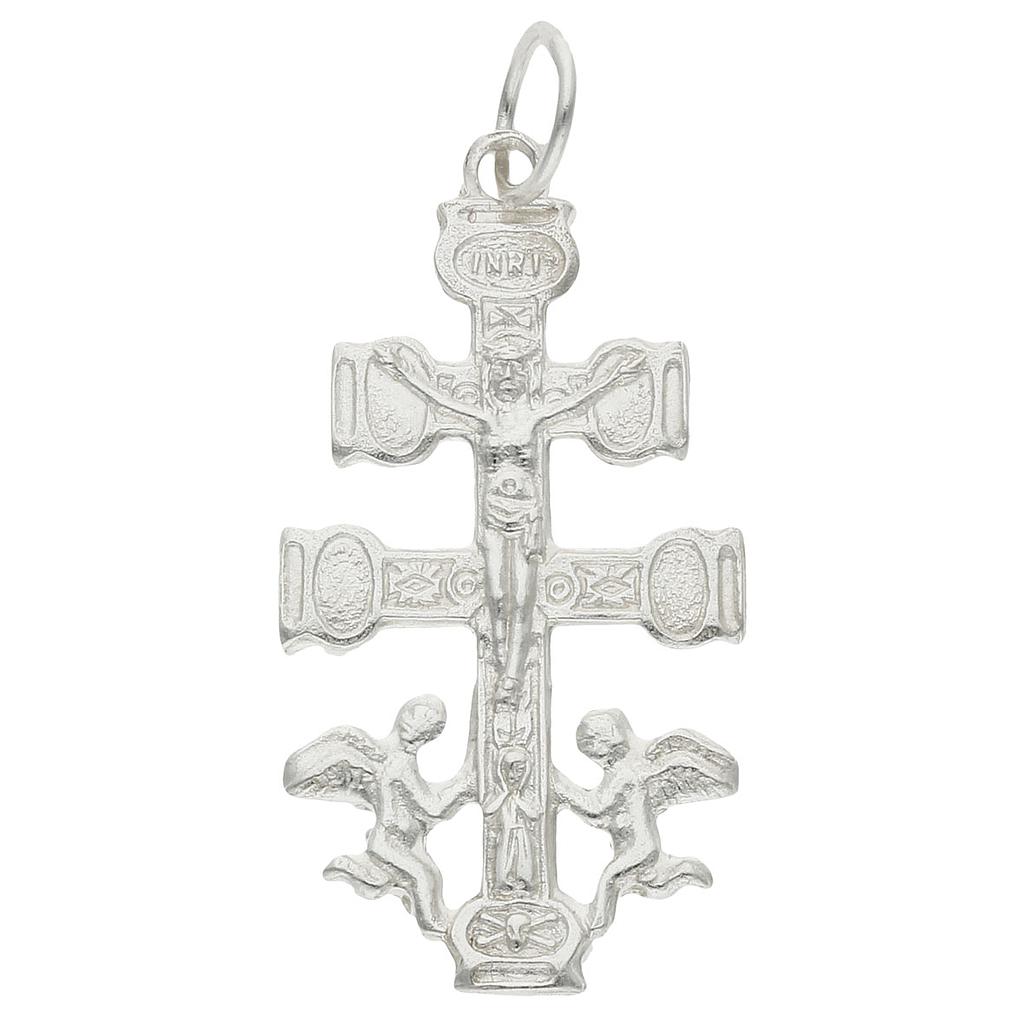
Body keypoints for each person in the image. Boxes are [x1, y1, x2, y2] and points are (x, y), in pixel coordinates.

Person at [375, 336, 646, 693]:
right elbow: (439, 400)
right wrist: (404, 373)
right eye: (500, 369)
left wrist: (612, 376)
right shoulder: (484, 419)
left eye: (515, 369)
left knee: (522, 599)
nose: (507, 376)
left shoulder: (534, 419)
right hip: (492, 517)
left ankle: (513, 675)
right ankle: (501, 660)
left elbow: (576, 401)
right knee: (495, 596)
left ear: (526, 378)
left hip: (526, 518)